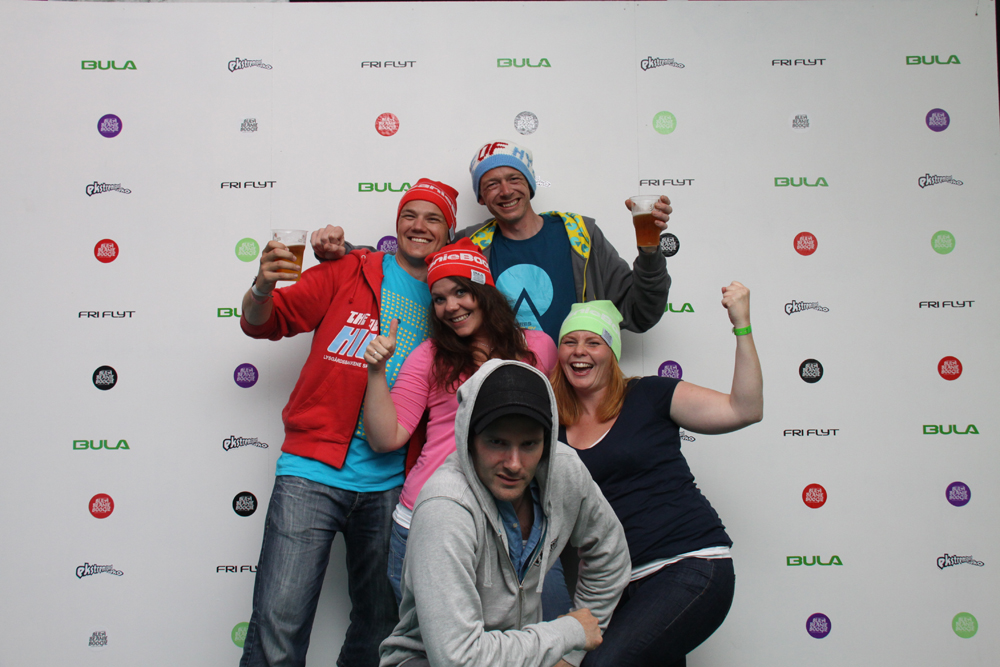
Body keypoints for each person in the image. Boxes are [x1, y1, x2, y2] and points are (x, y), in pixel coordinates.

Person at [237, 179, 459, 667]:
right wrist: (262, 286)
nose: (419, 226)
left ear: (450, 232)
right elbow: (263, 321)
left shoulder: (451, 300)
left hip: (392, 486)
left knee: (380, 630)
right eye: (410, 215)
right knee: (278, 627)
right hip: (311, 472)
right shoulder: (349, 270)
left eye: (433, 218)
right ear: (397, 223)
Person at [549, 289, 763, 667]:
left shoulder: (648, 394)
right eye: (570, 341)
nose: (580, 351)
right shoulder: (553, 427)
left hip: (687, 564)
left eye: (593, 342)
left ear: (611, 353)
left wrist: (742, 326)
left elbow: (744, 408)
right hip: (617, 588)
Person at [378, 360, 631, 667]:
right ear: (469, 438)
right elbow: (458, 659)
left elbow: (611, 554)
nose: (513, 463)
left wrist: (569, 655)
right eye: (497, 442)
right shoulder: (445, 507)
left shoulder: (564, 472)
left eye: (529, 444)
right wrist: (569, 633)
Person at [310, 140, 674, 341]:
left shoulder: (579, 233)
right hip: (502, 394)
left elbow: (640, 313)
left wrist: (650, 251)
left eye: (514, 179)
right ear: (481, 198)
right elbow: (407, 262)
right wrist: (344, 251)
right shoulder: (471, 244)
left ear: (529, 185)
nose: (505, 191)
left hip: (575, 391)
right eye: (491, 184)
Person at [360, 238, 558, 603]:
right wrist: (376, 371)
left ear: (485, 292)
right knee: (434, 637)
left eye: (461, 292)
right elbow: (386, 438)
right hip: (432, 515)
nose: (450, 306)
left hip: (511, 520)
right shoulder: (429, 355)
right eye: (439, 298)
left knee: (525, 632)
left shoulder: (538, 347)